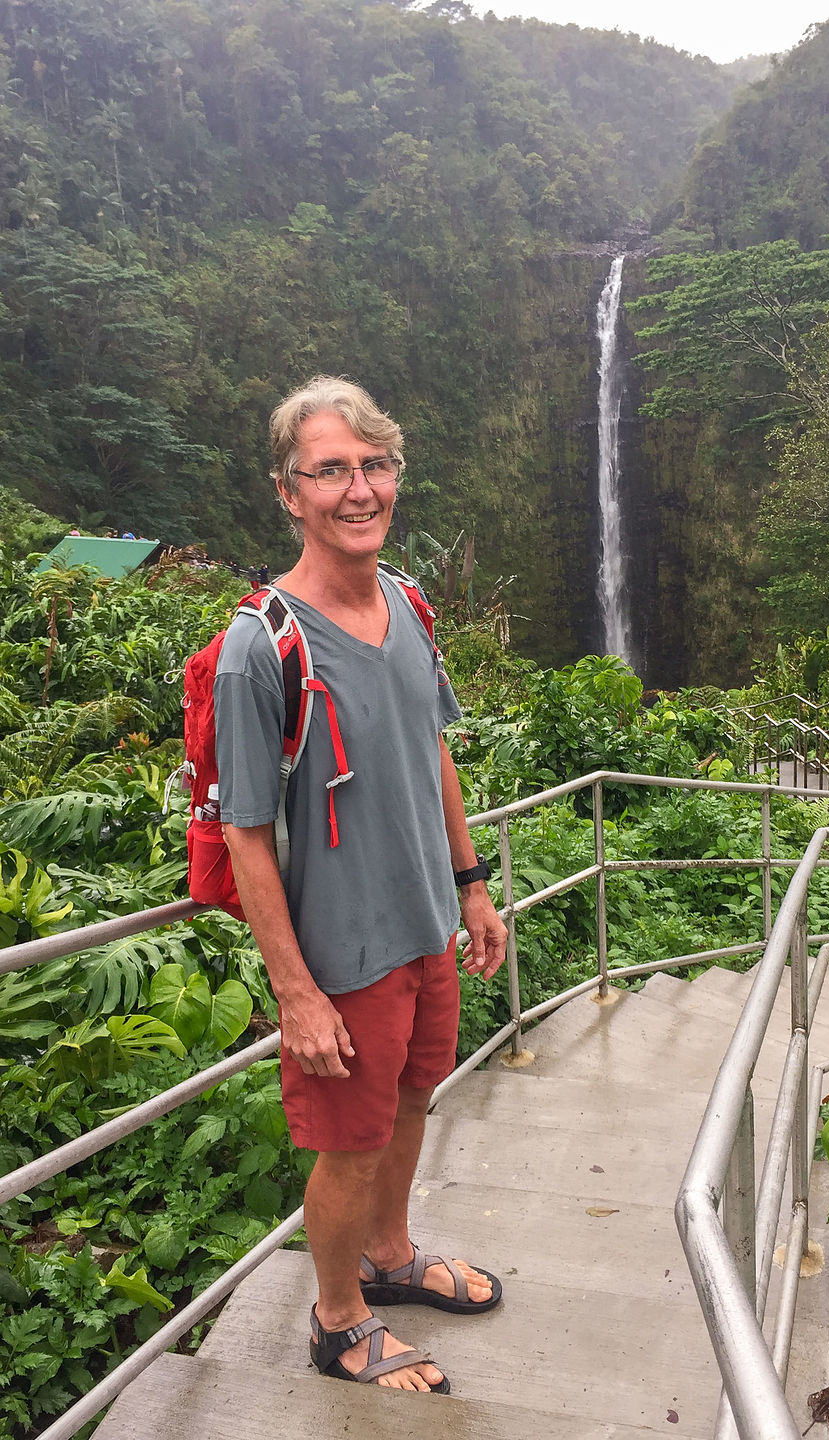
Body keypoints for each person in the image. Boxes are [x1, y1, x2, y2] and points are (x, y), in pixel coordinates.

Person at [214, 375, 508, 1395]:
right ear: (288, 493)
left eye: (373, 465)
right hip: (342, 955)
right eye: (330, 470)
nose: (358, 488)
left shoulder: (406, 602)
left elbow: (432, 753)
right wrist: (295, 992)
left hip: (427, 924)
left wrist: (469, 883)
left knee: (417, 1096)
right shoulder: (262, 647)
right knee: (349, 1142)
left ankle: (390, 1256)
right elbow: (247, 835)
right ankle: (337, 1321)